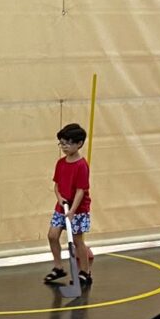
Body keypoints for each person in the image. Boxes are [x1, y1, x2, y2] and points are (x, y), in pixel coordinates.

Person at [44, 123, 92, 288]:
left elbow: (81, 190)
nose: (64, 147)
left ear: (79, 144)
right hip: (61, 207)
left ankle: (85, 272)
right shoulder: (61, 163)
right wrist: (59, 198)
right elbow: (56, 185)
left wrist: (72, 211)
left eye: (68, 143)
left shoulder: (81, 165)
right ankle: (58, 267)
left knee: (78, 241)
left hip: (78, 210)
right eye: (62, 143)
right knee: (52, 236)